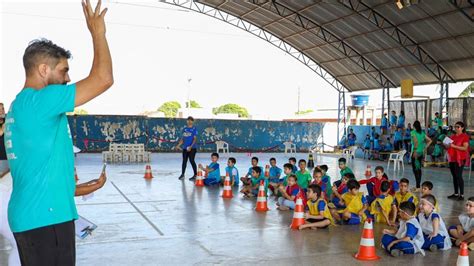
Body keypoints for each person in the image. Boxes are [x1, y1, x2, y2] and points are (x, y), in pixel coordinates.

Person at [4, 2, 113, 265]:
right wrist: (98, 33)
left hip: (37, 215)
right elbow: (103, 79)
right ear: (43, 69)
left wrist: (78, 189)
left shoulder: (22, 107)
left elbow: (37, 175)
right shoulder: (40, 101)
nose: (67, 78)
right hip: (45, 219)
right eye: (63, 70)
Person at [446, 121, 470, 201]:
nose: (456, 128)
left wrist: (453, 146)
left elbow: (465, 148)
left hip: (460, 158)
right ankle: (456, 193)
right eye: (455, 127)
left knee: (459, 176)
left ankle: (462, 195)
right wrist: (445, 144)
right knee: (454, 176)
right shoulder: (452, 136)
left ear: (462, 128)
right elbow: (447, 145)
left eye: (458, 127)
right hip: (452, 158)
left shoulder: (465, 136)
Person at [410, 120, 432, 192]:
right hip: (421, 152)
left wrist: (415, 151)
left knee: (415, 170)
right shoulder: (422, 133)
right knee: (418, 169)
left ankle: (418, 187)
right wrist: (425, 147)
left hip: (416, 153)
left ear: (414, 126)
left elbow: (415, 142)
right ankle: (418, 186)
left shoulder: (413, 132)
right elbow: (430, 140)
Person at [175, 116, 198, 181]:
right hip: (185, 148)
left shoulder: (194, 129)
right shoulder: (184, 129)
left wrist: (191, 146)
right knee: (184, 161)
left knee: (191, 160)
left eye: (191, 120)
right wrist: (178, 145)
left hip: (192, 148)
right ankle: (182, 174)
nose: (189, 121)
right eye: (188, 120)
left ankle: (195, 175)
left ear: (193, 121)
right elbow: (182, 139)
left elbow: (195, 139)